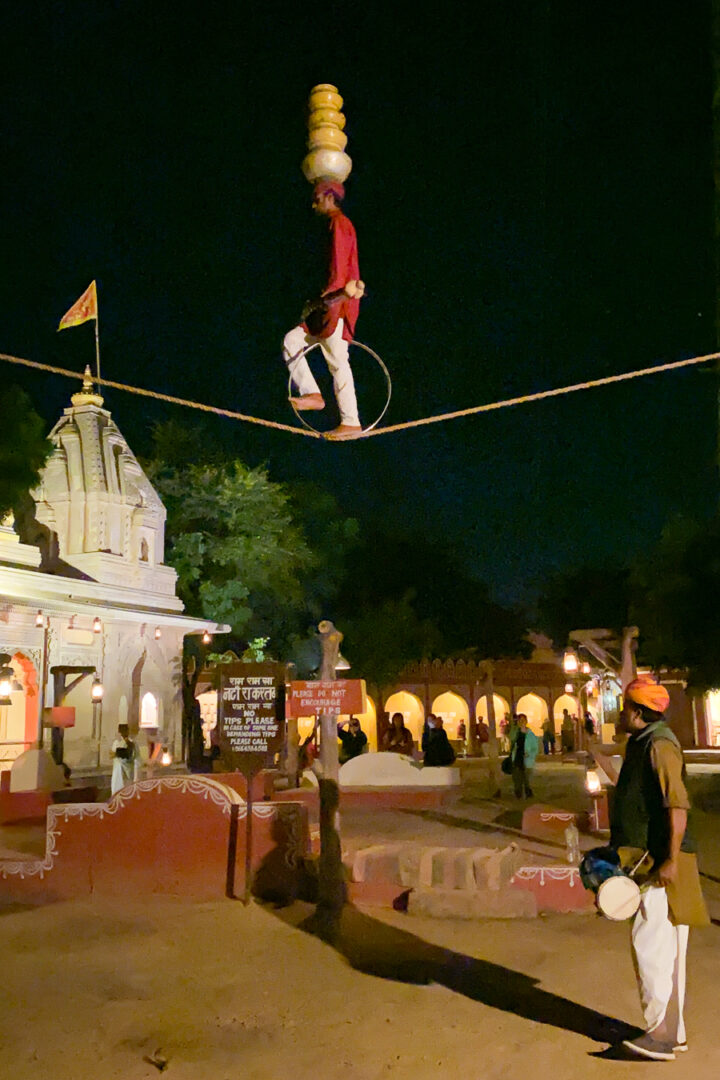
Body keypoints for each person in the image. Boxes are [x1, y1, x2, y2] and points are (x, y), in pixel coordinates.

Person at [611, 676, 709, 1062]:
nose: (620, 713)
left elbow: (677, 807)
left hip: (661, 862)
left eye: (624, 708)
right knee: (665, 950)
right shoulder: (644, 742)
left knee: (651, 946)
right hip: (653, 858)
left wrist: (669, 860)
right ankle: (672, 1032)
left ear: (637, 712)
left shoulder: (660, 745)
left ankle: (661, 1036)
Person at [283, 180, 365, 441]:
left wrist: (328, 299)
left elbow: (339, 271)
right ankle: (313, 395)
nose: (314, 202)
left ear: (329, 197)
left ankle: (351, 422)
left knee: (338, 361)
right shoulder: (333, 225)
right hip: (328, 303)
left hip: (335, 304)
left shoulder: (339, 224)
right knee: (293, 341)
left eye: (317, 197)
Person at [508, 714, 539, 799]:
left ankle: (528, 793)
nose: (521, 722)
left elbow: (535, 748)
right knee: (517, 778)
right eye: (519, 720)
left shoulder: (530, 734)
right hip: (517, 758)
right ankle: (518, 794)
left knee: (527, 779)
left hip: (527, 759)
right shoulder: (515, 732)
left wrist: (531, 754)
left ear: (526, 721)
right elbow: (511, 737)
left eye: (523, 720)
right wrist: (514, 727)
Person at [111, 724, 138, 795]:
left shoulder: (130, 743)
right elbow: (112, 754)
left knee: (126, 788)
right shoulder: (116, 742)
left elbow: (130, 755)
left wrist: (117, 753)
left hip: (126, 770)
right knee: (117, 788)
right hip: (118, 768)